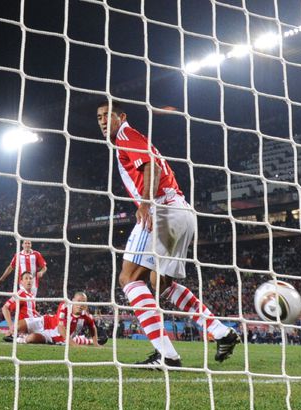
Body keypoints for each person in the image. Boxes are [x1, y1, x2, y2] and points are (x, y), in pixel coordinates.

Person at [97, 101, 239, 366]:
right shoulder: (127, 140)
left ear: (122, 117)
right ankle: (221, 332)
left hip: (161, 209)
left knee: (129, 279)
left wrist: (145, 203)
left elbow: (152, 165)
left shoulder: (127, 134)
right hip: (181, 211)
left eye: (108, 115)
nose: (103, 121)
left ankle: (167, 355)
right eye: (99, 117)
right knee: (159, 283)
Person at [1, 271, 38, 342]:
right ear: (21, 282)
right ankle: (18, 335)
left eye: (30, 278)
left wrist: (41, 316)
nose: (29, 280)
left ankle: (19, 337)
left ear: (33, 281)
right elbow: (5, 308)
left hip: (33, 324)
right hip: (26, 325)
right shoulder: (20, 294)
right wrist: (11, 327)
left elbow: (32, 310)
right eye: (26, 278)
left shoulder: (32, 295)